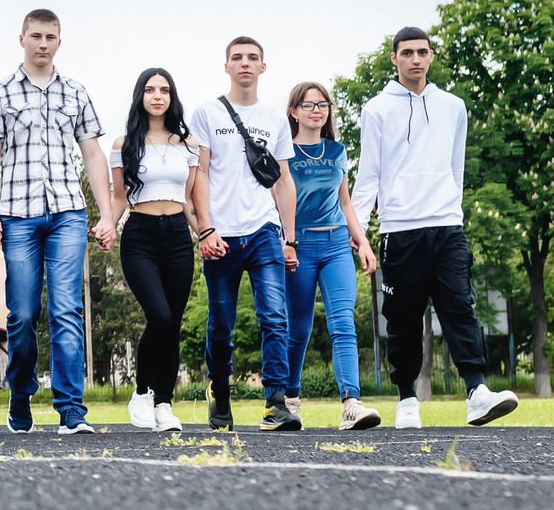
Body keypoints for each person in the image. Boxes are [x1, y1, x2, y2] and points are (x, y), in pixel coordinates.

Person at [353, 26, 519, 428]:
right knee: (403, 318)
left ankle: (477, 392)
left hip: (447, 225)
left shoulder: (453, 106)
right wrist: (357, 236)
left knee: (460, 306)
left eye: (422, 52)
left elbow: (455, 167)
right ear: (394, 58)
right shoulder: (376, 109)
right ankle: (407, 398)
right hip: (399, 230)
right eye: (406, 52)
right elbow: (368, 174)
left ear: (431, 56)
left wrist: (453, 210)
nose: (415, 59)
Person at [0, 10, 118, 435]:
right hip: (18, 216)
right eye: (35, 35)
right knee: (20, 315)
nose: (42, 43)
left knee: (66, 309)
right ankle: (20, 397)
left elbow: (92, 154)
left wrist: (107, 213)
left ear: (59, 42)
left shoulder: (75, 92)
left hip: (68, 214)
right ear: (21, 38)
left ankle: (71, 409)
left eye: (50, 37)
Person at [186, 37, 302, 431]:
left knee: (274, 317)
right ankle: (219, 394)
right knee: (222, 326)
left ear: (263, 67)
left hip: (264, 230)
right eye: (237, 58)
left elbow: (284, 181)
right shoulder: (205, 113)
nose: (245, 64)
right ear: (227, 66)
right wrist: (205, 229)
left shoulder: (273, 118)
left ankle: (276, 403)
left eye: (253, 58)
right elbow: (198, 174)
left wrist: (289, 238)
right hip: (221, 235)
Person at [104, 68, 213, 434]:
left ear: (172, 97)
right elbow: (119, 198)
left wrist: (207, 233)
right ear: (141, 96)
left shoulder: (190, 145)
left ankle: (164, 403)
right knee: (160, 316)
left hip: (178, 237)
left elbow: (191, 200)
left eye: (164, 90)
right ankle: (141, 393)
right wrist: (107, 223)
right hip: (140, 236)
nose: (157, 96)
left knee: (174, 325)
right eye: (150, 90)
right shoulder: (124, 145)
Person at [284, 80, 381, 432]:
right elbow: (279, 202)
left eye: (323, 104)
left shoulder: (337, 151)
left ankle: (351, 404)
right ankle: (290, 401)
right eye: (309, 105)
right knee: (299, 329)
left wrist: (363, 242)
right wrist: (286, 242)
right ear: (294, 111)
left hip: (338, 243)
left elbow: (345, 203)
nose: (317, 110)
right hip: (300, 246)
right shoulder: (284, 153)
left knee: (343, 323)